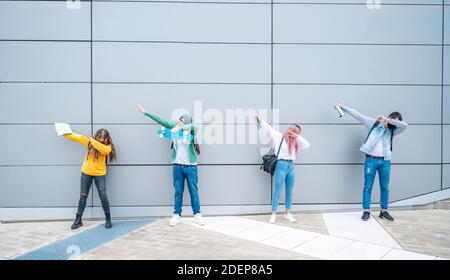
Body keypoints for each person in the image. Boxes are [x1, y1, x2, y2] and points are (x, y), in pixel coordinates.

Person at [336, 104, 408, 221]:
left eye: (395, 122)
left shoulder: (393, 131)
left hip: (385, 162)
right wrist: (342, 107)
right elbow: (358, 115)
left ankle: (384, 211)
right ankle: (366, 211)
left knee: (385, 187)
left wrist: (388, 120)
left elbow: (404, 125)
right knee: (367, 187)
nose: (394, 124)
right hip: (371, 160)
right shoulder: (373, 123)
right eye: (393, 121)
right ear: (388, 116)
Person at [138, 105, 204, 226]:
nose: (179, 121)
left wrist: (180, 129)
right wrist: (146, 112)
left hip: (191, 167)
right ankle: (176, 214)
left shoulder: (191, 131)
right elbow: (162, 121)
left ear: (185, 122)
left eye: (181, 120)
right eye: (180, 119)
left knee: (193, 191)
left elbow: (195, 126)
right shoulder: (174, 128)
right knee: (178, 191)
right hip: (177, 166)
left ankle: (197, 214)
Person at [256, 116, 310, 224]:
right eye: (292, 130)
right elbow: (269, 129)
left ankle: (287, 213)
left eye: (296, 132)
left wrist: (297, 137)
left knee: (289, 192)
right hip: (281, 165)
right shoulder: (279, 136)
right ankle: (273, 214)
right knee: (277, 192)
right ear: (288, 129)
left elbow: (307, 145)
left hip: (291, 166)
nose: (293, 133)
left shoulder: (296, 142)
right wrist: (260, 120)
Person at [63, 129, 116, 229]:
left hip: (100, 174)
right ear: (97, 136)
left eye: (103, 138)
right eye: (99, 137)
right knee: (83, 196)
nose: (101, 140)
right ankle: (78, 220)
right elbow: (75, 136)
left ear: (106, 138)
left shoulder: (108, 146)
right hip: (86, 172)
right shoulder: (89, 142)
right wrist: (63, 132)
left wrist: (92, 140)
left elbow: (104, 150)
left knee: (103, 196)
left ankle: (108, 219)